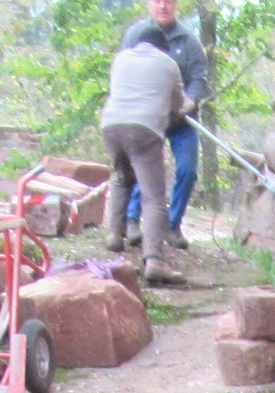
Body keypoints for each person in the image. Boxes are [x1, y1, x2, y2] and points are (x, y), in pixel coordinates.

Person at [120, 0, 208, 251]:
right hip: (148, 118)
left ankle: (172, 225)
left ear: (176, 5)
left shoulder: (189, 41)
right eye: (157, 1)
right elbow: (124, 69)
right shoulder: (135, 35)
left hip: (182, 120)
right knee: (143, 168)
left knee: (188, 170)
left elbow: (199, 78)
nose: (163, 6)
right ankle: (132, 220)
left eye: (168, 1)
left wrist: (190, 101)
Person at [100, 37, 189, 282]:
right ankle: (155, 260)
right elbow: (178, 104)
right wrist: (186, 105)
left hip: (111, 125)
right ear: (162, 47)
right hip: (144, 128)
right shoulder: (168, 63)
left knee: (122, 178)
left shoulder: (121, 58)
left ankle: (114, 235)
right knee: (153, 197)